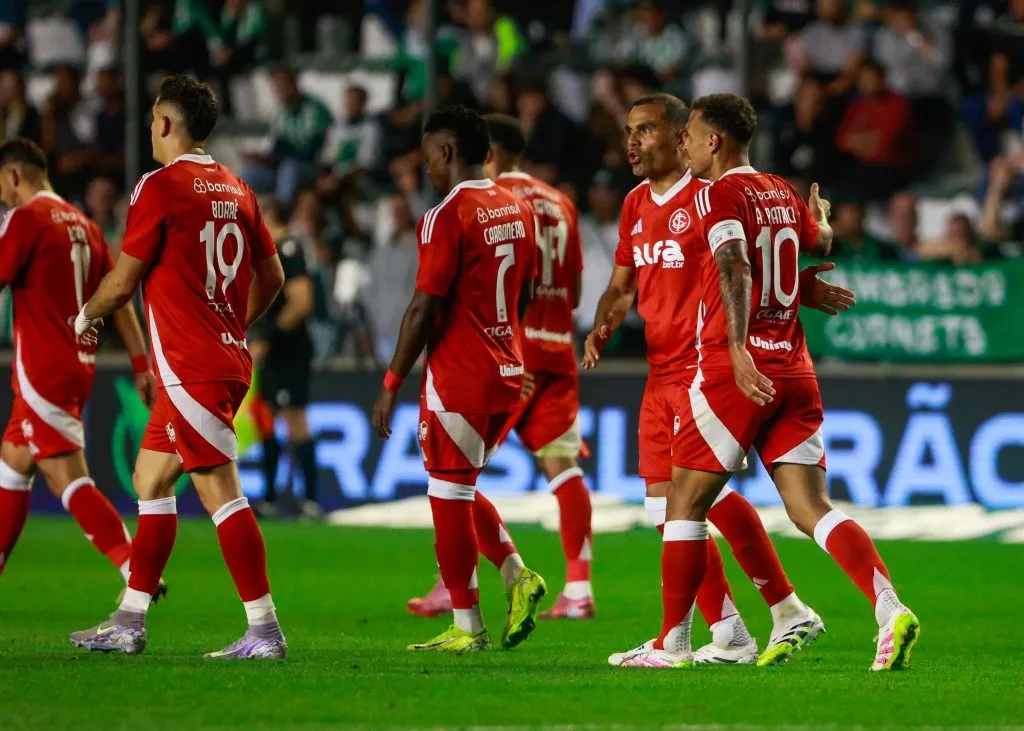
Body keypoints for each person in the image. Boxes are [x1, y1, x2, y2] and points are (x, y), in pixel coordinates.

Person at [612, 92, 918, 671]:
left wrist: (734, 348)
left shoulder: (718, 194)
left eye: (689, 136)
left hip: (737, 370)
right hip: (795, 367)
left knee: (681, 502)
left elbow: (734, 264)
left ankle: (672, 646)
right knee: (811, 509)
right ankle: (889, 607)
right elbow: (816, 243)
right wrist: (820, 230)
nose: (683, 146)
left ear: (713, 141)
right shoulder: (779, 189)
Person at [69, 75, 288, 660]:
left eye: (152, 119)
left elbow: (124, 276)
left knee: (221, 492)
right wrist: (231, 326)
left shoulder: (159, 187)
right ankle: (129, 620)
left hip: (192, 366)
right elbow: (274, 278)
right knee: (150, 480)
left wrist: (86, 314)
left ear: (164, 123)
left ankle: (264, 629)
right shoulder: (238, 188)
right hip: (216, 358)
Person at [406, 113, 595, 620]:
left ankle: (456, 587)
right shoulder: (559, 201)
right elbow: (574, 291)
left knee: (453, 477)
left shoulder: (485, 200)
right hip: (558, 347)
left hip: (501, 351)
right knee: (562, 469)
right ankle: (579, 588)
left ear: (483, 152)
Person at [372, 105, 546, 653]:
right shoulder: (517, 208)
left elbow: (423, 308)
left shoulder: (446, 215)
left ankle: (468, 628)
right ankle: (518, 576)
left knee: (446, 494)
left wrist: (391, 381)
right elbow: (527, 291)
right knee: (464, 486)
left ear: (446, 152)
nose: (425, 168)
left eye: (427, 157)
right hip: (507, 370)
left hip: (460, 376)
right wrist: (507, 345)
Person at [0, 137, 163, 602]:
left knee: (66, 476)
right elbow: (120, 297)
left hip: (41, 369)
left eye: (3, 185)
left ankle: (136, 570)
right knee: (12, 464)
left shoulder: (27, 219)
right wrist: (140, 363)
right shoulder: (86, 226)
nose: (3, 196)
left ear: (15, 174)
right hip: (79, 363)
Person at [248, 197, 320, 520]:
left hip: (289, 351)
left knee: (294, 419)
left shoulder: (288, 248)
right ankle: (269, 497)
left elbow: (301, 302)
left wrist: (268, 339)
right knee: (265, 417)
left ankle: (310, 500)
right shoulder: (264, 251)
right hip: (272, 352)